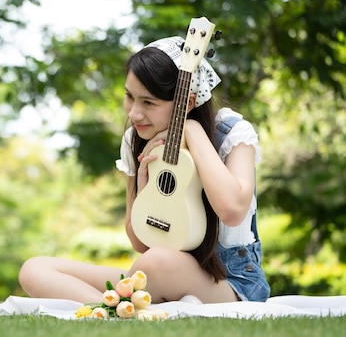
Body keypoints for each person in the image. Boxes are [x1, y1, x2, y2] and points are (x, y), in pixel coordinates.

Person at [18, 36, 270, 304]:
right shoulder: (135, 139)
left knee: (156, 263)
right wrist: (142, 184)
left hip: (229, 282)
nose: (135, 113)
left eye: (148, 103)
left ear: (187, 103)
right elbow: (139, 243)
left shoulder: (231, 132)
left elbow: (232, 211)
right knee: (35, 269)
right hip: (158, 271)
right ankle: (110, 314)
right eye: (130, 97)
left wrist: (191, 130)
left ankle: (117, 305)